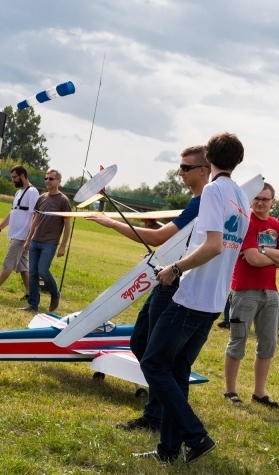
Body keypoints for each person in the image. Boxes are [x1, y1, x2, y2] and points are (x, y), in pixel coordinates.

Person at [135, 132, 249, 464]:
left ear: (209, 158)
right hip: (215, 300)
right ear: (237, 161)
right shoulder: (241, 196)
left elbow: (213, 245)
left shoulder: (214, 190)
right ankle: (168, 451)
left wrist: (175, 268)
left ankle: (196, 434)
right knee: (177, 370)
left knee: (153, 363)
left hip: (192, 295)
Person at [87, 145, 210, 432]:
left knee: (156, 355)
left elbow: (156, 239)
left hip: (174, 282)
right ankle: (164, 409)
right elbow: (177, 234)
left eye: (185, 167)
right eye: (179, 167)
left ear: (203, 170)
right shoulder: (198, 202)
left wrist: (109, 222)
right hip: (166, 279)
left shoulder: (202, 201)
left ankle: (159, 416)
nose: (179, 172)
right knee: (141, 344)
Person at [223, 183, 279, 408]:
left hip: (271, 293)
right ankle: (230, 391)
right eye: (257, 198)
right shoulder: (246, 222)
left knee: (268, 343)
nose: (261, 202)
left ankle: (259, 393)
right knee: (238, 340)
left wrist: (264, 252)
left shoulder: (276, 225)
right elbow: (252, 259)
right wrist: (276, 257)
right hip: (245, 290)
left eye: (266, 199)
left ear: (273, 201)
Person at [0, 166, 40, 299]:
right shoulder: (19, 193)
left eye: (14, 177)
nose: (12, 180)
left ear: (22, 176)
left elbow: (36, 215)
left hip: (22, 236)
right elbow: (13, 213)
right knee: (23, 266)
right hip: (16, 234)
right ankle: (30, 293)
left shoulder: (32, 192)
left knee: (8, 262)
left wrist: (29, 237)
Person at [22, 168, 71, 313]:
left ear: (58, 181)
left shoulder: (63, 201)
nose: (47, 181)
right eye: (46, 178)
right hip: (35, 240)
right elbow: (35, 219)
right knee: (32, 273)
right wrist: (28, 239)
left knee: (43, 270)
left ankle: (55, 294)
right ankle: (33, 304)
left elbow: (67, 224)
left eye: (51, 179)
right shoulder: (42, 198)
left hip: (50, 242)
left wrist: (63, 246)